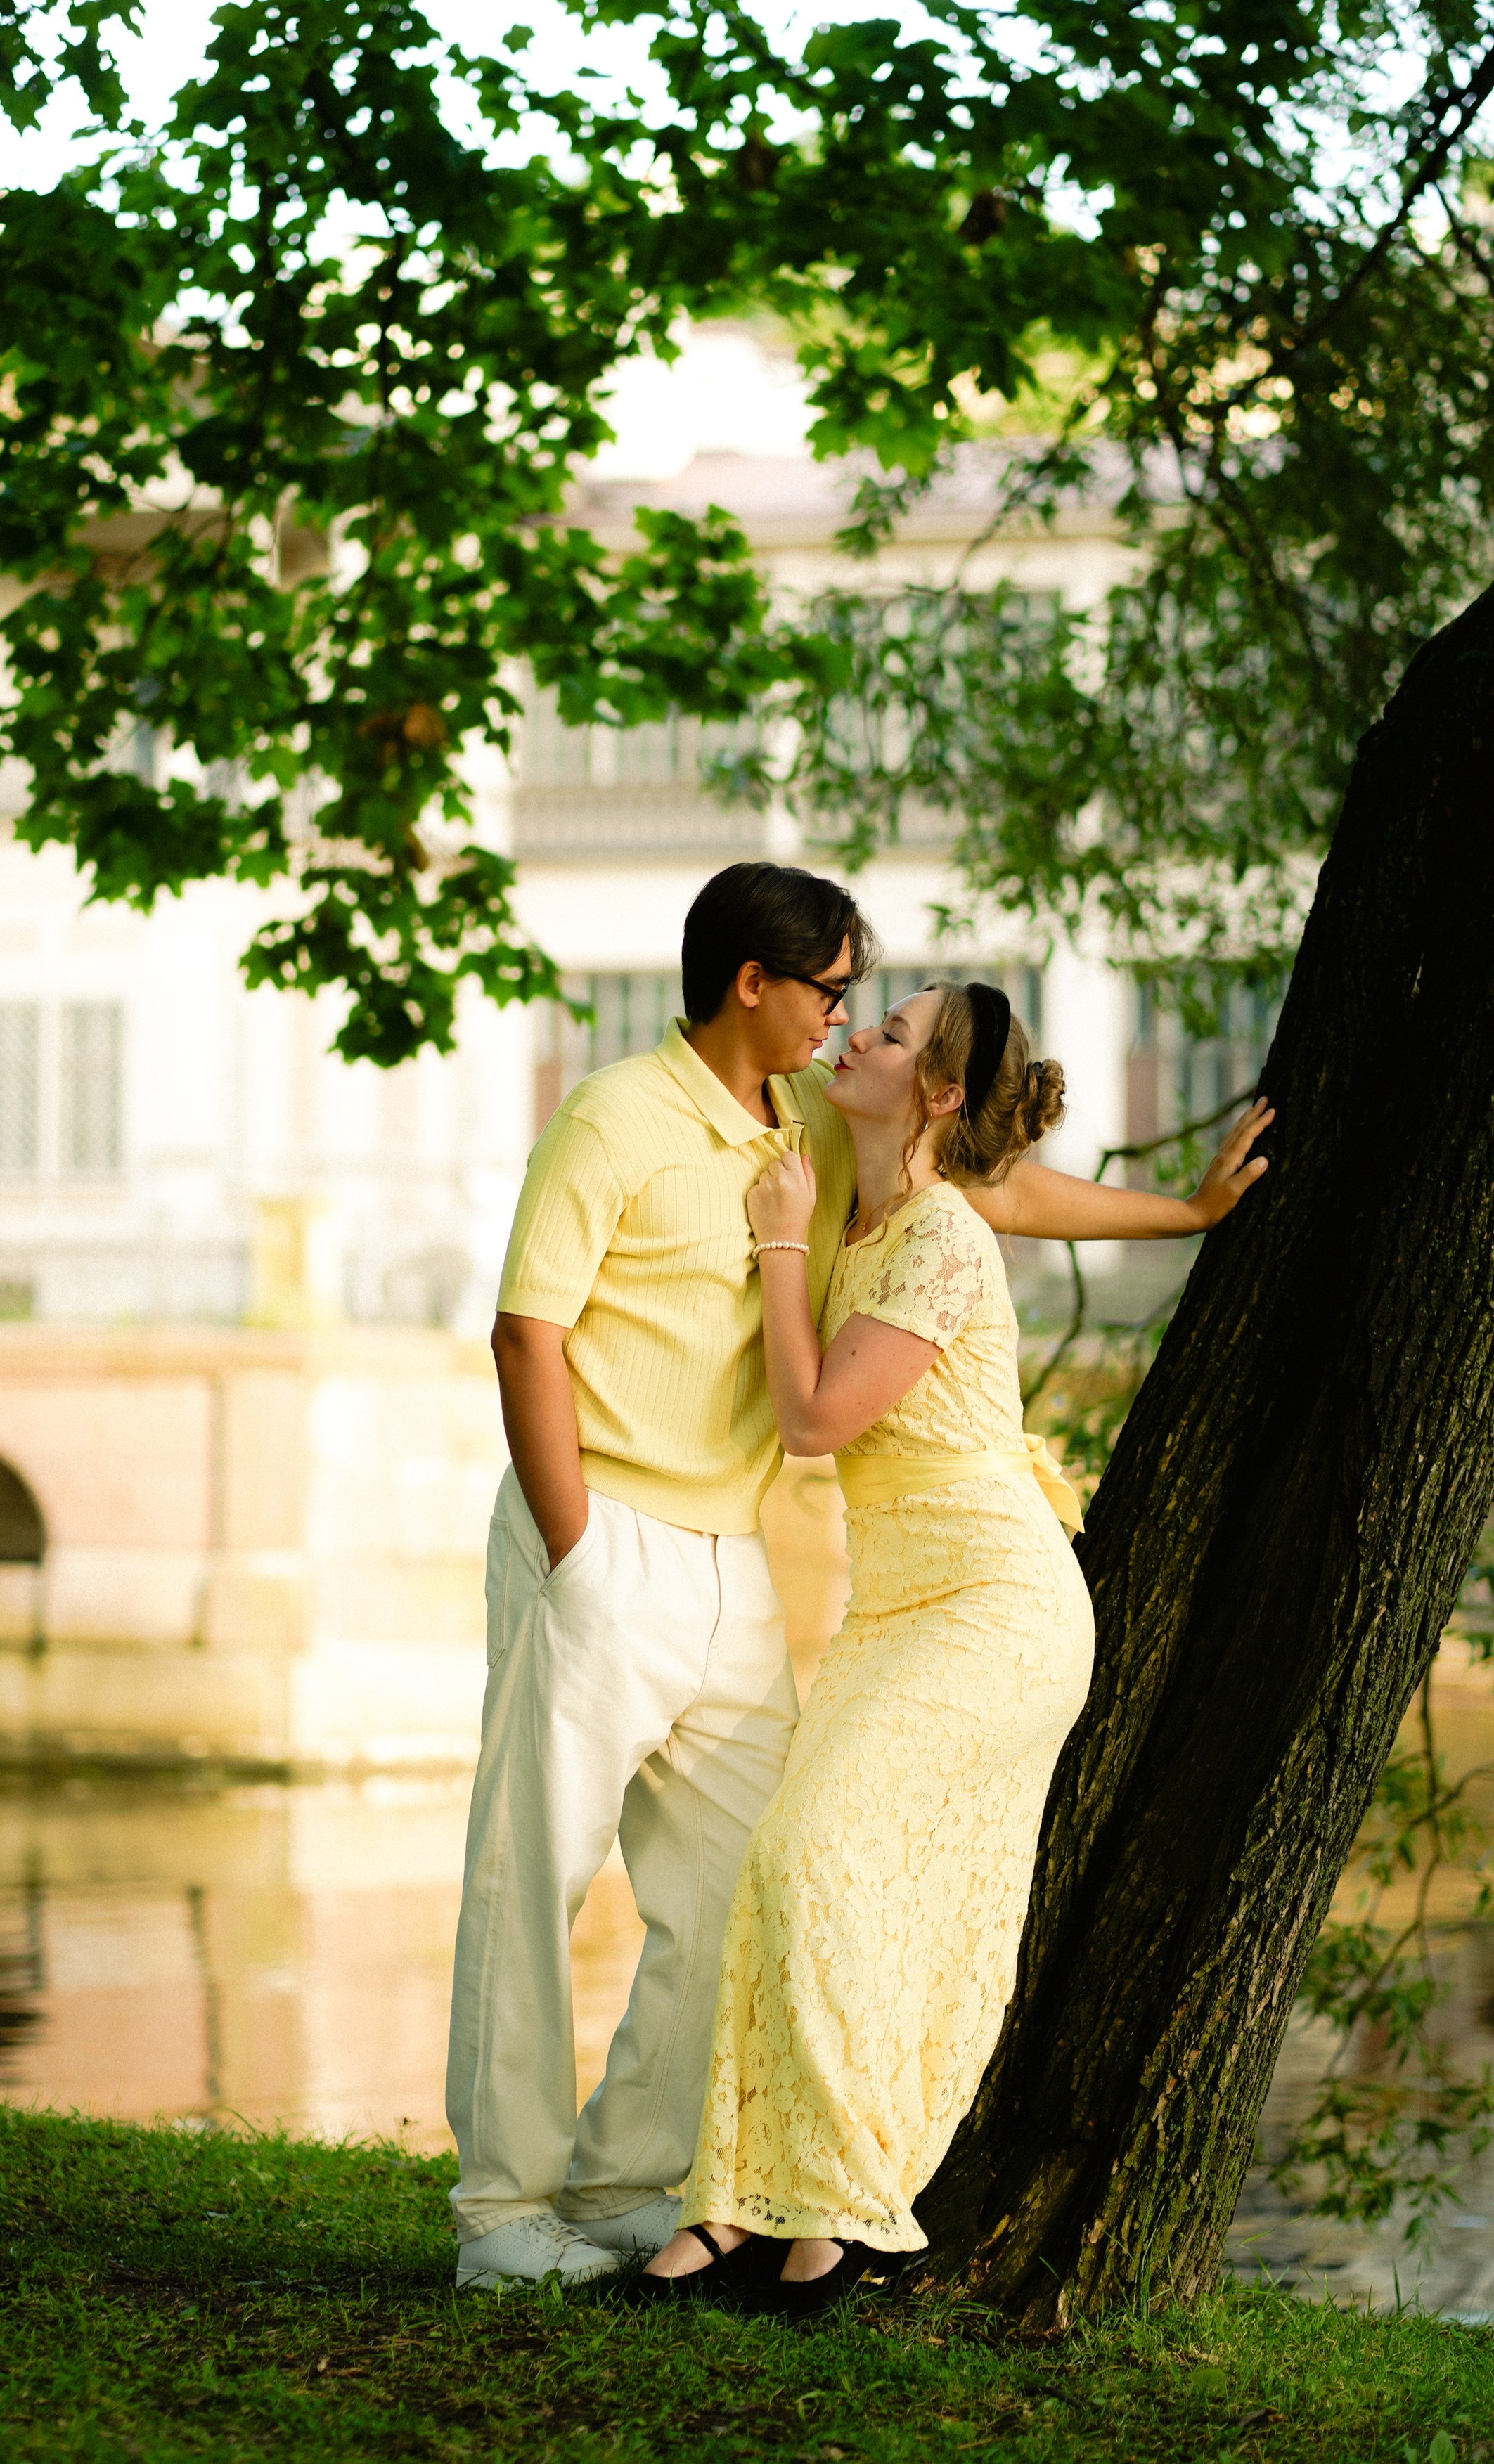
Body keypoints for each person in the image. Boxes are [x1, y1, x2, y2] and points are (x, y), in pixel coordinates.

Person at [447, 864, 1261, 2296]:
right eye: (830, 991)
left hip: (744, 1561)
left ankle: (640, 2182)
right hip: (607, 1537)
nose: (845, 1021)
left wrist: (1181, 1220)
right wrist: (576, 1548)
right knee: (536, 1880)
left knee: (731, 1885)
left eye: (862, 1009)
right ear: (751, 986)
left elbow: (990, 1184)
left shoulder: (815, 1119)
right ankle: (503, 2216)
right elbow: (526, 1336)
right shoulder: (612, 1116)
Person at [640, 979, 1272, 2315]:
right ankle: (745, 2214)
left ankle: (845, 2214)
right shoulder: (886, 1183)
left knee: (816, 1854)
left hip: (997, 1608)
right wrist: (1191, 1212)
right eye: (865, 1016)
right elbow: (1037, 1195)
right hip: (891, 1608)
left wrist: (783, 1249)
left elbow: (813, 1418)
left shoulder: (933, 1238)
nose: (853, 1034)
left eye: (889, 1032)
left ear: (930, 1093)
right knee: (788, 1874)